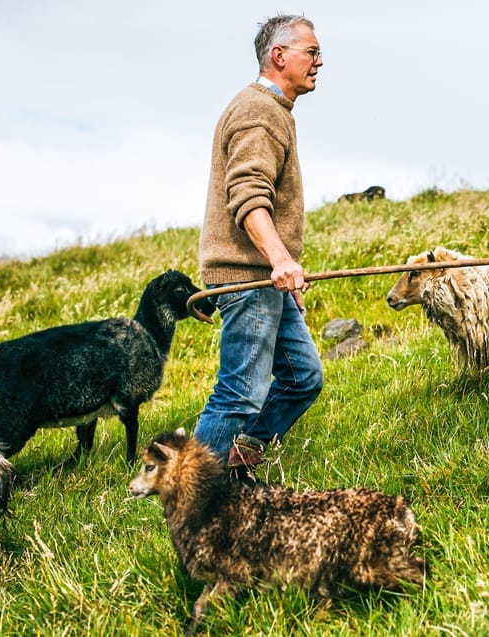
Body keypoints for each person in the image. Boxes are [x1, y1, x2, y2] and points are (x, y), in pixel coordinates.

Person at [195, 14, 326, 474]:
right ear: (279, 56)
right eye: (311, 52)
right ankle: (193, 494)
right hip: (249, 276)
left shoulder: (272, 111)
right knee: (238, 393)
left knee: (302, 377)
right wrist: (279, 259)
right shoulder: (260, 111)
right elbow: (248, 194)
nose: (319, 61)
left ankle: (238, 460)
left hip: (266, 278)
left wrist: (283, 273)